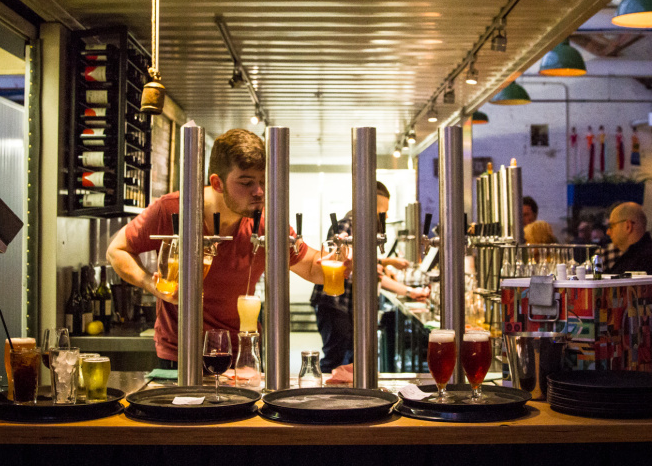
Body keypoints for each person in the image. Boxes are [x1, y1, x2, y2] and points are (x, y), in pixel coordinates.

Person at [106, 128, 341, 367]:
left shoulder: (266, 223)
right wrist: (151, 284)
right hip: (180, 352)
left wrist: (341, 259)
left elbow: (313, 268)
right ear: (217, 183)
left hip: (240, 353)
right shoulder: (173, 210)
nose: (259, 192)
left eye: (263, 181)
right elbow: (117, 250)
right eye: (247, 183)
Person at [310, 181, 428, 373]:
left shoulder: (363, 229)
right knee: (334, 360)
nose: (386, 216)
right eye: (384, 211)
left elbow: (370, 269)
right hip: (334, 304)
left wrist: (386, 265)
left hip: (345, 306)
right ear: (371, 207)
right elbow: (340, 254)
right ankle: (326, 390)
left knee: (348, 362)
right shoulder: (348, 224)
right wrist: (407, 289)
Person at [606, 202, 652, 276]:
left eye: (611, 226)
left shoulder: (647, 261)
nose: (608, 232)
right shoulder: (639, 256)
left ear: (628, 226)